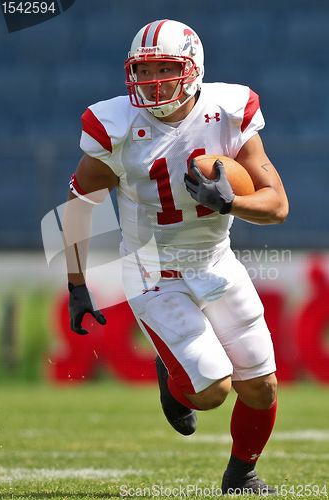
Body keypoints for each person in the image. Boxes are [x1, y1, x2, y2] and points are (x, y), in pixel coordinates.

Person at [64, 19, 289, 495]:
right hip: (151, 270)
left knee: (261, 385)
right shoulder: (116, 126)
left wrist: (230, 203)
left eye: (167, 68)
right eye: (144, 71)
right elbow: (78, 204)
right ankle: (172, 378)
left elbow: (277, 205)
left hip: (216, 261)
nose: (154, 82)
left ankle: (241, 474)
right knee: (211, 391)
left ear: (194, 69)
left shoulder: (228, 111)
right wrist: (77, 284)